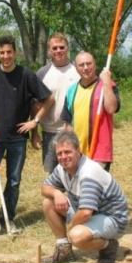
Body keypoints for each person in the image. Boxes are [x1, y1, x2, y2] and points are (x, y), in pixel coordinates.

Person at [0, 34, 54, 240]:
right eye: (2, 52)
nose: (6, 56)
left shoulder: (26, 75)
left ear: (15, 53)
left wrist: (35, 121)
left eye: (9, 52)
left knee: (13, 181)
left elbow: (49, 98)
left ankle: (9, 218)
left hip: (17, 139)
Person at [41, 130, 128, 263]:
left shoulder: (89, 173)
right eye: (60, 153)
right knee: (48, 202)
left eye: (67, 152)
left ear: (78, 150)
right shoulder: (61, 169)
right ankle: (64, 250)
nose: (63, 157)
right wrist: (56, 193)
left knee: (76, 236)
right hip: (90, 213)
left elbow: (86, 213)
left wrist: (70, 227)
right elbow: (44, 188)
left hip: (112, 218)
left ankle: (108, 246)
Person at [61, 51, 120, 171]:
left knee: (93, 188)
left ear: (95, 64)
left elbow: (111, 108)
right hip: (78, 152)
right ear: (76, 68)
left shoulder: (107, 86)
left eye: (89, 63)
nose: (86, 68)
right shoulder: (71, 90)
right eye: (81, 65)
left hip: (100, 153)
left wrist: (106, 82)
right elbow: (68, 124)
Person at [32, 33, 80, 172]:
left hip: (75, 132)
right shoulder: (42, 74)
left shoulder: (78, 71)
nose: (58, 51)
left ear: (67, 48)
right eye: (54, 48)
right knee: (53, 177)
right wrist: (34, 133)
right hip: (50, 133)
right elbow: (34, 105)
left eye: (61, 47)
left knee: (75, 174)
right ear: (49, 51)